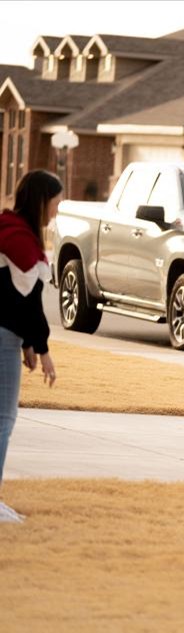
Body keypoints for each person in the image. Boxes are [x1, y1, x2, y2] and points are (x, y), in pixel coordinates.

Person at [0, 171, 61, 523]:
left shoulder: (7, 228)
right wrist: (42, 349)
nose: (56, 210)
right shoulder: (21, 242)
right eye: (54, 203)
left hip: (9, 334)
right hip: (3, 337)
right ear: (41, 202)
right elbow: (27, 304)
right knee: (3, 420)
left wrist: (28, 346)